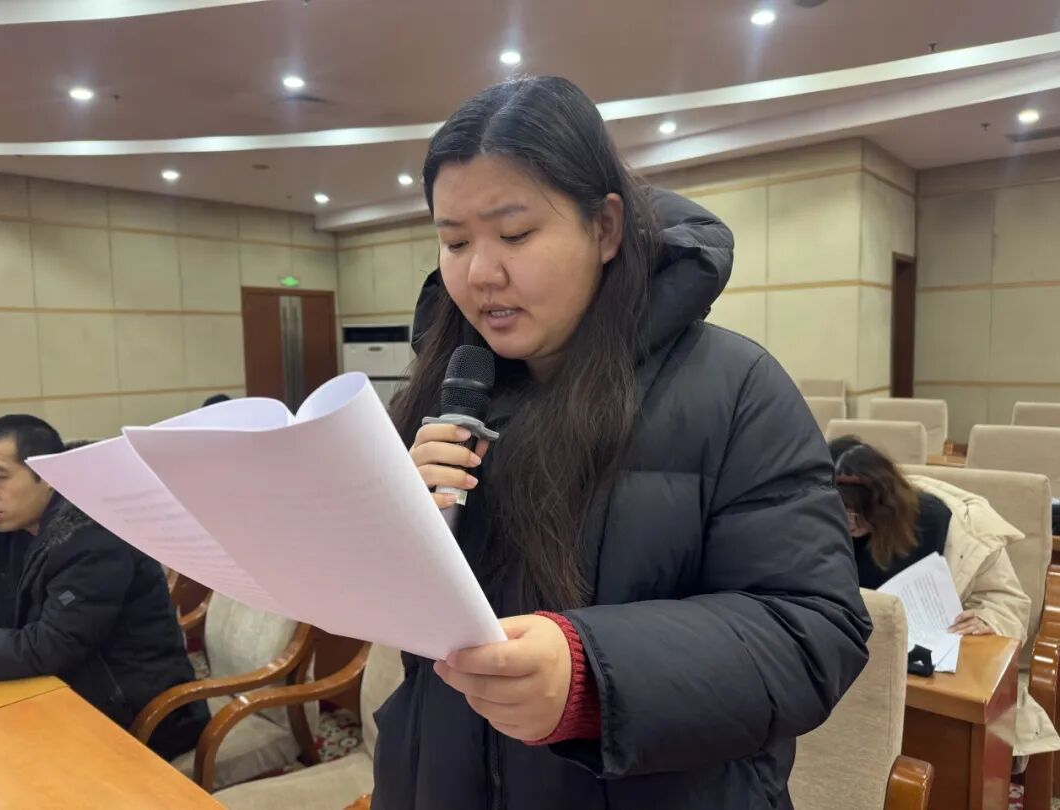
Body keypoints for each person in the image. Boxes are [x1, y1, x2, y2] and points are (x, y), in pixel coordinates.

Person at [382, 76, 871, 809]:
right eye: (454, 241)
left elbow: (814, 633)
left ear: (606, 228)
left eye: (515, 235)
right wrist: (398, 524)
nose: (481, 272)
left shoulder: (736, 388)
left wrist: (590, 675)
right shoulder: (442, 393)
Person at [0, 415, 209, 760]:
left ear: (48, 475)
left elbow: (53, 645)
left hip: (137, 712)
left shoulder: (93, 536)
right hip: (69, 691)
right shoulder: (11, 525)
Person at [831, 436, 1060, 759]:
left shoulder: (953, 525)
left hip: (930, 675)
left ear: (883, 504)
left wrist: (987, 619)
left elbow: (1005, 600)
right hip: (852, 666)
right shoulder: (812, 523)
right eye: (841, 512)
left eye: (860, 513)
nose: (851, 524)